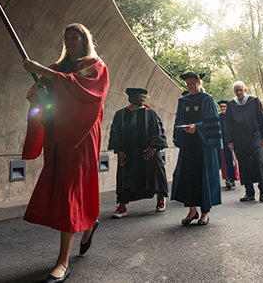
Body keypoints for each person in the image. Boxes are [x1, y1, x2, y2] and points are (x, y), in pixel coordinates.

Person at [22, 23, 110, 282]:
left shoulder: (94, 65)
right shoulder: (57, 67)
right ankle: (89, 220)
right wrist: (41, 86)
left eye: (75, 37)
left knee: (71, 190)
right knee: (63, 188)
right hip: (57, 135)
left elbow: (85, 93)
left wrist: (42, 71)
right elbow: (44, 97)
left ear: (85, 40)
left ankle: (63, 262)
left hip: (80, 135)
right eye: (67, 38)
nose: (70, 42)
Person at [108, 87, 169, 218]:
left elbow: (158, 131)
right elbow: (115, 133)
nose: (141, 100)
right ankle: (122, 206)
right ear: (130, 99)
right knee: (125, 178)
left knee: (156, 175)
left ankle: (160, 199)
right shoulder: (121, 114)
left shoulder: (150, 113)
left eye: (143, 98)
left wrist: (154, 147)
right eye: (138, 98)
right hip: (128, 153)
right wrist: (118, 150)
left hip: (148, 153)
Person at [171, 71, 222, 226]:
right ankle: (192, 211)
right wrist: (183, 128)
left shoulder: (207, 99)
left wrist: (197, 127)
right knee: (188, 177)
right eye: (188, 83)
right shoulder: (183, 101)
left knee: (203, 177)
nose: (190, 86)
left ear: (199, 83)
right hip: (189, 145)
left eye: (193, 83)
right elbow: (179, 119)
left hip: (204, 146)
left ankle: (205, 212)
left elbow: (212, 122)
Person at [225, 81, 263, 202]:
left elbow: (262, 120)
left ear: (245, 90)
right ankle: (249, 193)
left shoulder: (254, 101)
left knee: (259, 162)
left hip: (254, 137)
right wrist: (229, 141)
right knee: (244, 166)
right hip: (239, 139)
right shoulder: (231, 105)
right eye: (236, 90)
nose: (239, 92)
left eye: (241, 90)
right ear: (234, 92)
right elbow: (228, 125)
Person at [217, 99, 239, 190]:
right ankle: (228, 178)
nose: (222, 108)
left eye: (224, 106)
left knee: (232, 160)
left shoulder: (231, 116)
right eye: (221, 106)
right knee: (225, 161)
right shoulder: (218, 117)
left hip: (231, 142)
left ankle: (232, 178)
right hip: (222, 141)